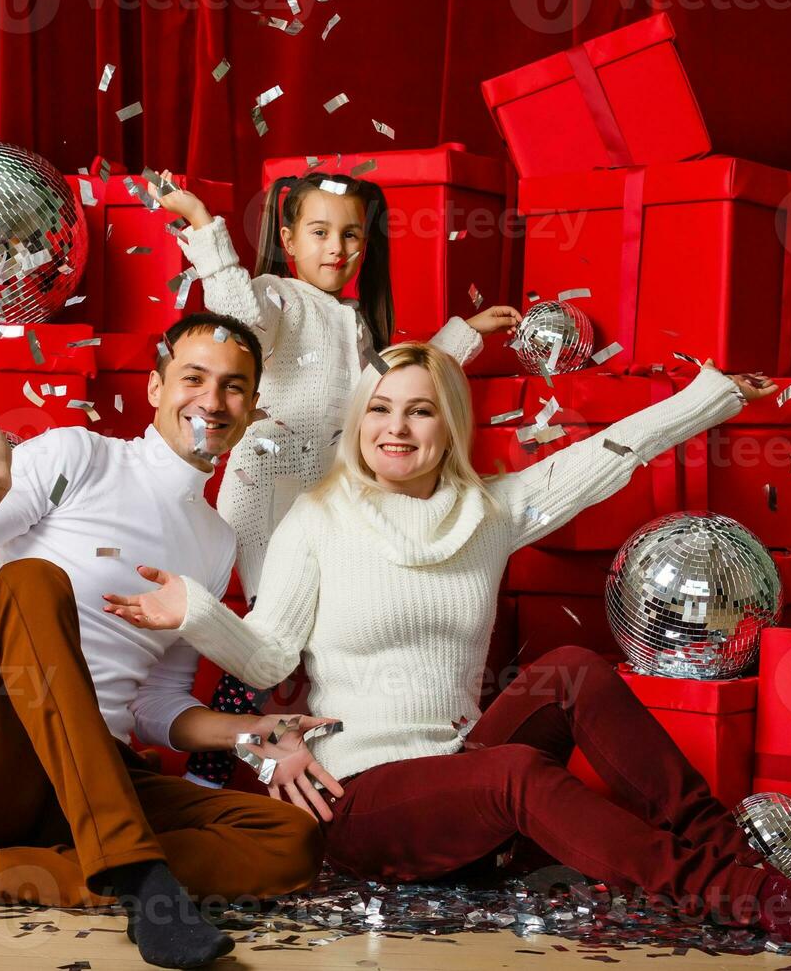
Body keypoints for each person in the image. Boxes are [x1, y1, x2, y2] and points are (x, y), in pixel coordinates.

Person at [104, 344, 791, 949]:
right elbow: (269, 658)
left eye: (419, 411)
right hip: (362, 797)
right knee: (513, 772)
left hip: (461, 769)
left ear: (450, 425)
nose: (394, 429)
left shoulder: (488, 511)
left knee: (573, 672)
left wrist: (710, 398)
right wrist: (194, 611)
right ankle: (747, 900)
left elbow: (608, 457)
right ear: (359, 420)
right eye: (378, 409)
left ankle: (737, 859)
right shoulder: (318, 518)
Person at [0, 313, 338, 970]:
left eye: (234, 387)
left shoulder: (215, 542)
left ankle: (2, 873)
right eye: (194, 378)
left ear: (253, 409)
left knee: (290, 839)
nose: (212, 400)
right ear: (154, 388)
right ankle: (143, 884)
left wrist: (246, 732)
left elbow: (158, 700)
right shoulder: (78, 457)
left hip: (90, 785)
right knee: (32, 581)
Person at [156, 170, 521, 788]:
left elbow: (396, 385)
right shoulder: (275, 297)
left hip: (329, 501)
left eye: (352, 235)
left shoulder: (355, 320)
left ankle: (317, 763)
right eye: (320, 231)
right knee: (272, 634)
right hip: (270, 490)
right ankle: (209, 772)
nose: (337, 249)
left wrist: (464, 334)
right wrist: (204, 230)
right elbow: (234, 315)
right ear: (288, 238)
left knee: (311, 633)